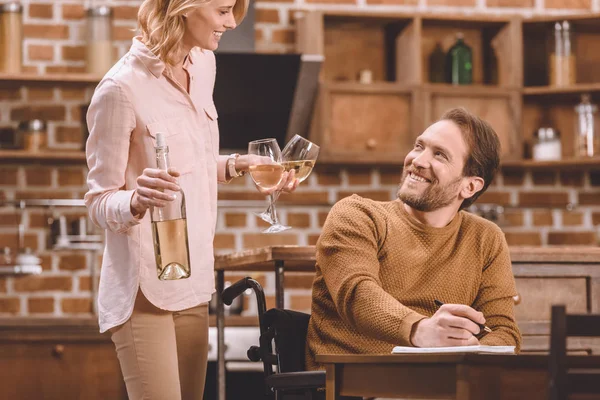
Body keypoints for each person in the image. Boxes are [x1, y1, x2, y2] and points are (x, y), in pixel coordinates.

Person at [84, 0, 297, 398]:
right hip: (144, 288)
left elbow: (193, 162)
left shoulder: (203, 67)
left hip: (194, 282)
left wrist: (239, 165)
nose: (231, 22)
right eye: (221, 11)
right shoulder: (120, 89)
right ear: (185, 7)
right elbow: (98, 201)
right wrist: (134, 201)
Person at [305, 107, 521, 371]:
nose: (418, 160)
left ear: (470, 186)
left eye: (439, 155)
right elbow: (357, 295)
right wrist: (420, 329)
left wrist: (473, 347)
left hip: (438, 386)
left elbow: (503, 331)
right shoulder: (357, 215)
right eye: (419, 146)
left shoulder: (486, 238)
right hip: (346, 386)